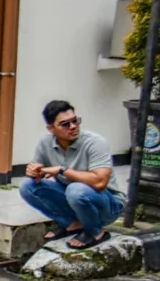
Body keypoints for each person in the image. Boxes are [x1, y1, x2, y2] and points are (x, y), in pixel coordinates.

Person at [20, 101, 124, 250]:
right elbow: (37, 172)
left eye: (75, 121)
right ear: (51, 128)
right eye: (65, 124)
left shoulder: (95, 142)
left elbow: (100, 182)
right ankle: (72, 224)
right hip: (74, 199)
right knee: (27, 187)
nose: (73, 126)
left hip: (108, 204)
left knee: (76, 190)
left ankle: (96, 232)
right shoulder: (45, 142)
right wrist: (33, 171)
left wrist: (62, 170)